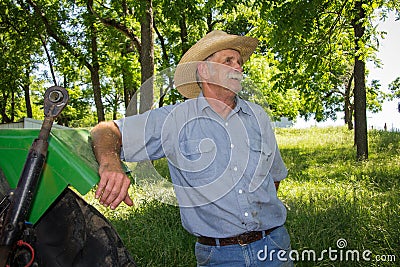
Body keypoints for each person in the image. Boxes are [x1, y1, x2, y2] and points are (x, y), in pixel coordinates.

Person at [91, 30, 293, 266]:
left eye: (239, 62)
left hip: (274, 245)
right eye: (228, 61)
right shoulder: (174, 119)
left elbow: (274, 178)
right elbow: (105, 130)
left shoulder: (258, 116)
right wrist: (110, 162)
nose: (238, 67)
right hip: (220, 256)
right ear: (204, 70)